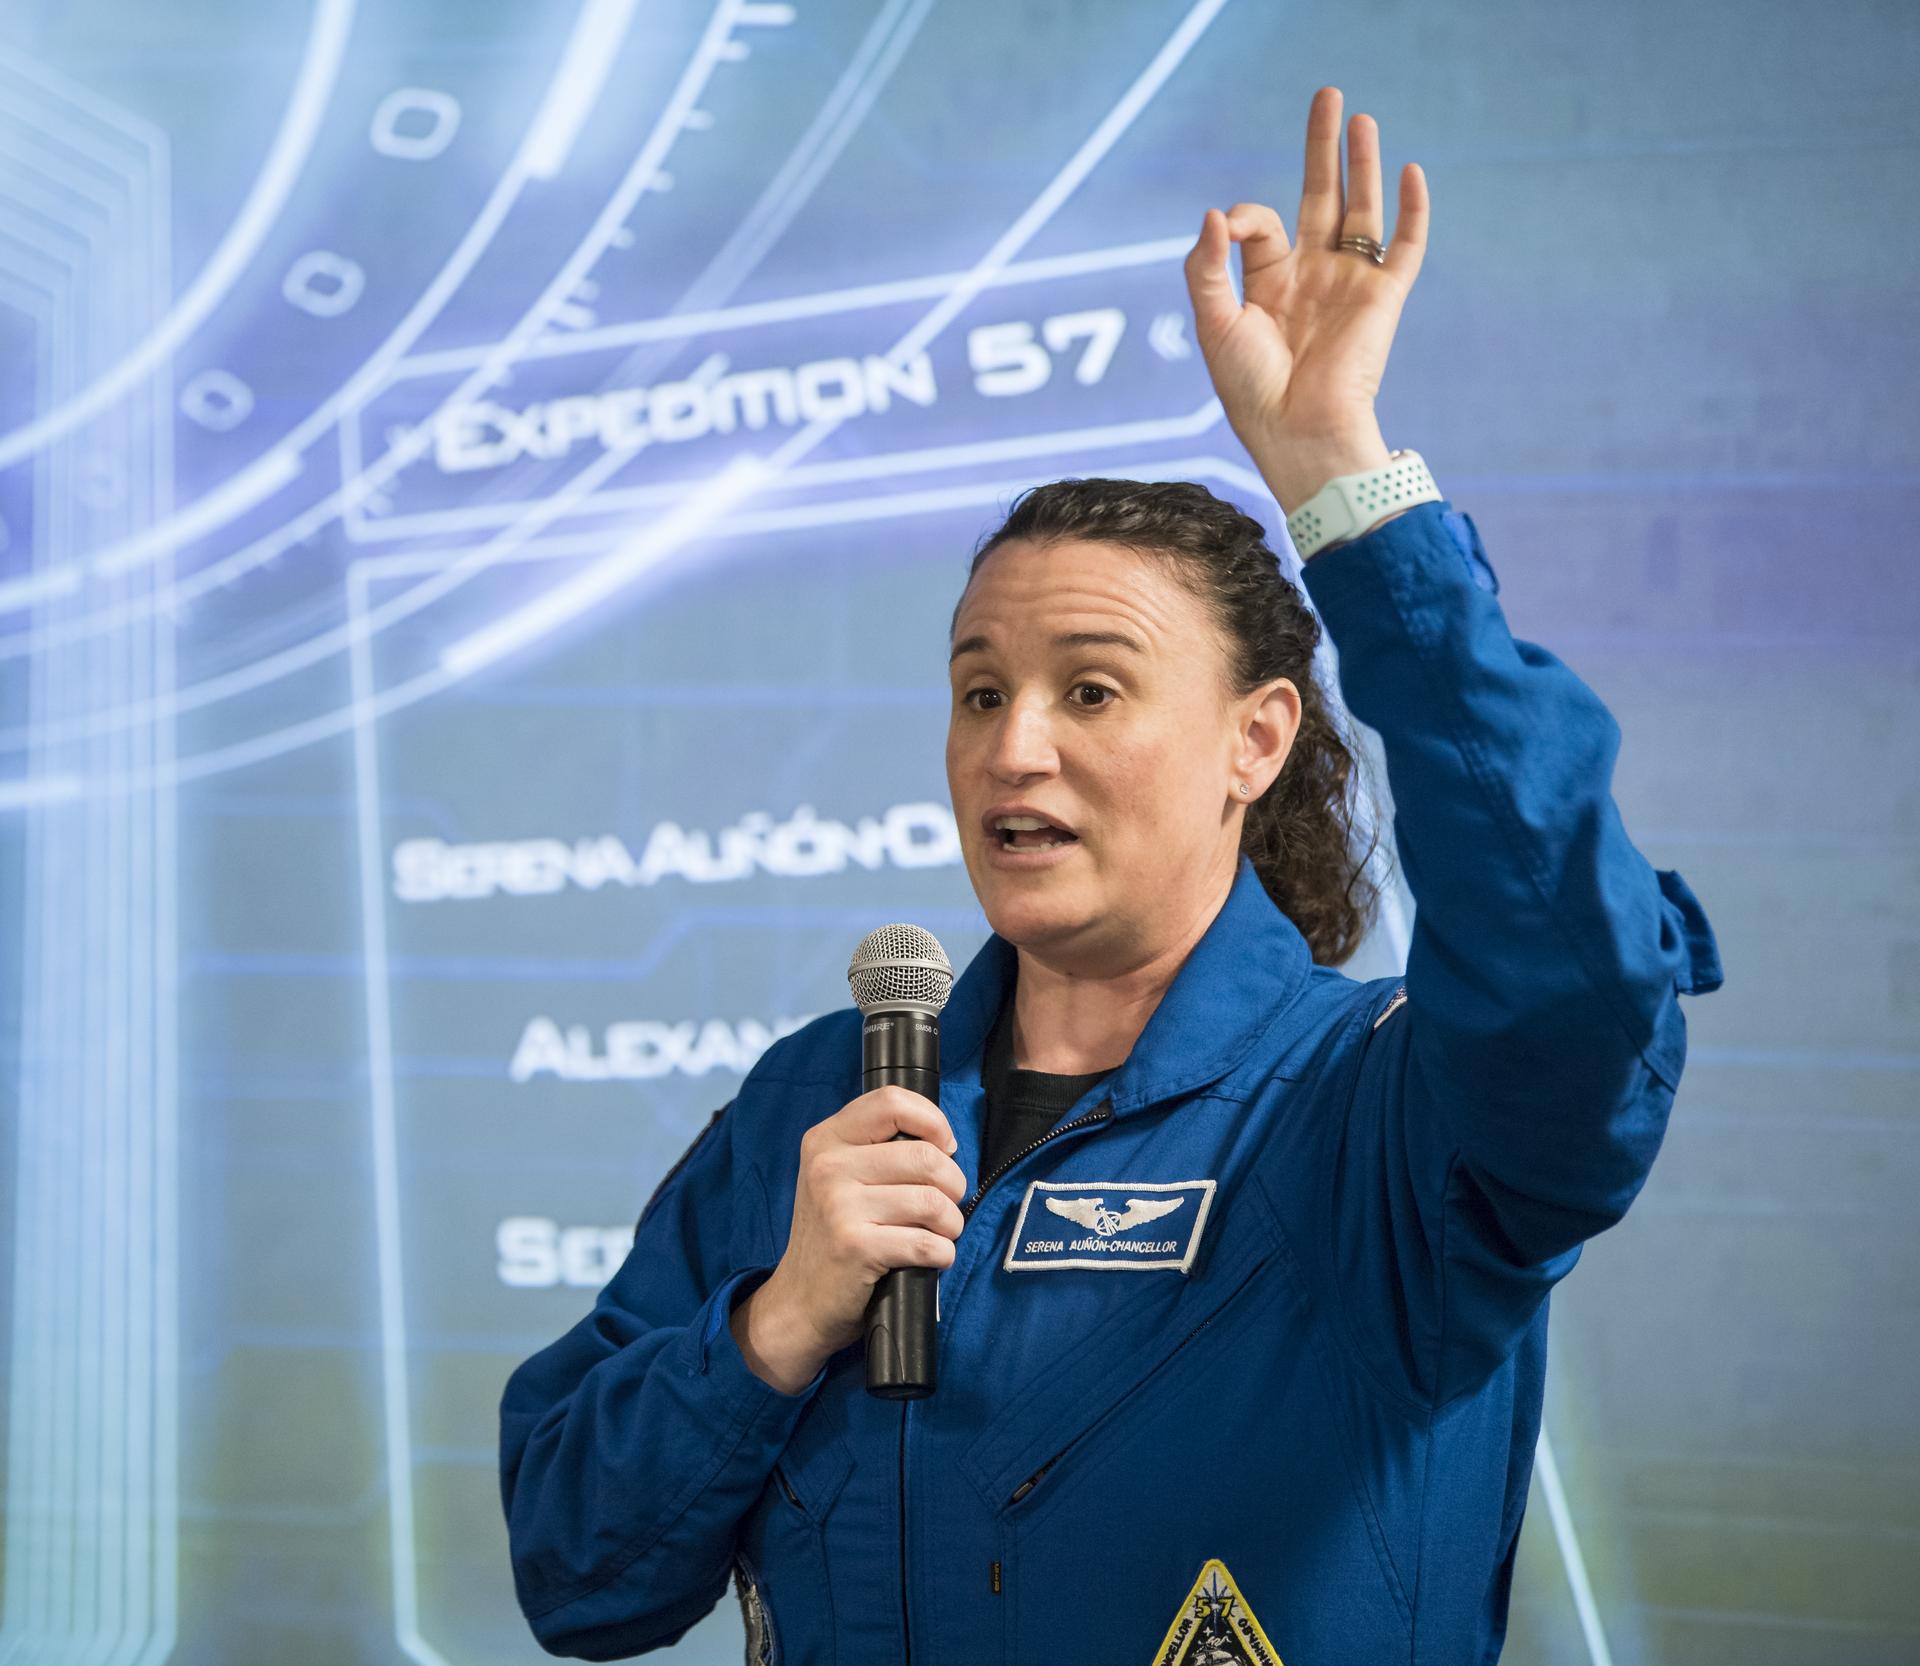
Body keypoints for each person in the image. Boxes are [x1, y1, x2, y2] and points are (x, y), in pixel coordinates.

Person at [498, 84, 1724, 1664]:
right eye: (979, 689)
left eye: (1091, 689)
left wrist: (1344, 478)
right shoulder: (821, 1110)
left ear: (1256, 739)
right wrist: (778, 1320)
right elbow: (575, 1569)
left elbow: (1580, 973)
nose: (1014, 750)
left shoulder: (1381, 1116)